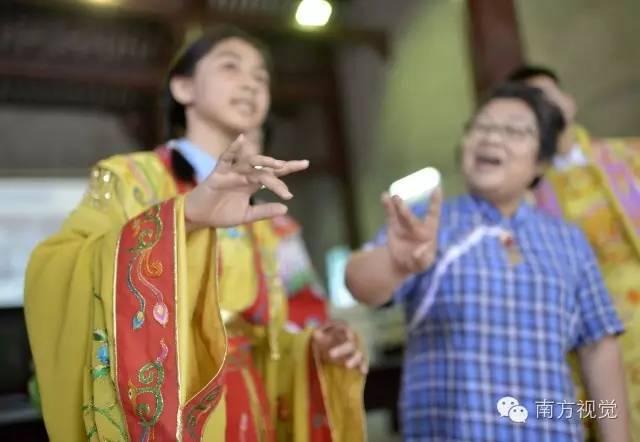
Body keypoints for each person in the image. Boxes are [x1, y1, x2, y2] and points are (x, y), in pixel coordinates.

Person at [24, 25, 366, 442]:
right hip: (177, 410)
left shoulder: (265, 213)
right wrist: (183, 218)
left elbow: (274, 336)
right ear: (183, 87)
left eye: (261, 77)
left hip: (251, 412)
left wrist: (318, 349)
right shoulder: (129, 177)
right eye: (230, 67)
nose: (251, 84)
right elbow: (57, 269)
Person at [345, 82, 629, 441]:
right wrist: (396, 264)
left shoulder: (569, 240)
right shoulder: (427, 223)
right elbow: (359, 283)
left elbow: (599, 347)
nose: (492, 137)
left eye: (514, 130)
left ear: (540, 160)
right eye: (482, 126)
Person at [509, 65, 640, 437]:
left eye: (546, 95)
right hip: (594, 336)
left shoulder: (631, 156)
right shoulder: (525, 198)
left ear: (569, 102)